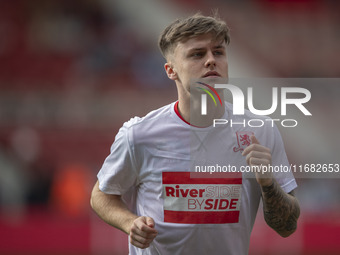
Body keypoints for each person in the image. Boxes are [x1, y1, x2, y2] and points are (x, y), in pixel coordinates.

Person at [90, 13, 300, 255]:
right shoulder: (139, 135)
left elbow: (287, 226)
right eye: (197, 54)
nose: (211, 60)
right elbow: (102, 195)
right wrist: (129, 223)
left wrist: (267, 182)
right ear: (171, 71)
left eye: (218, 52)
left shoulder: (260, 130)